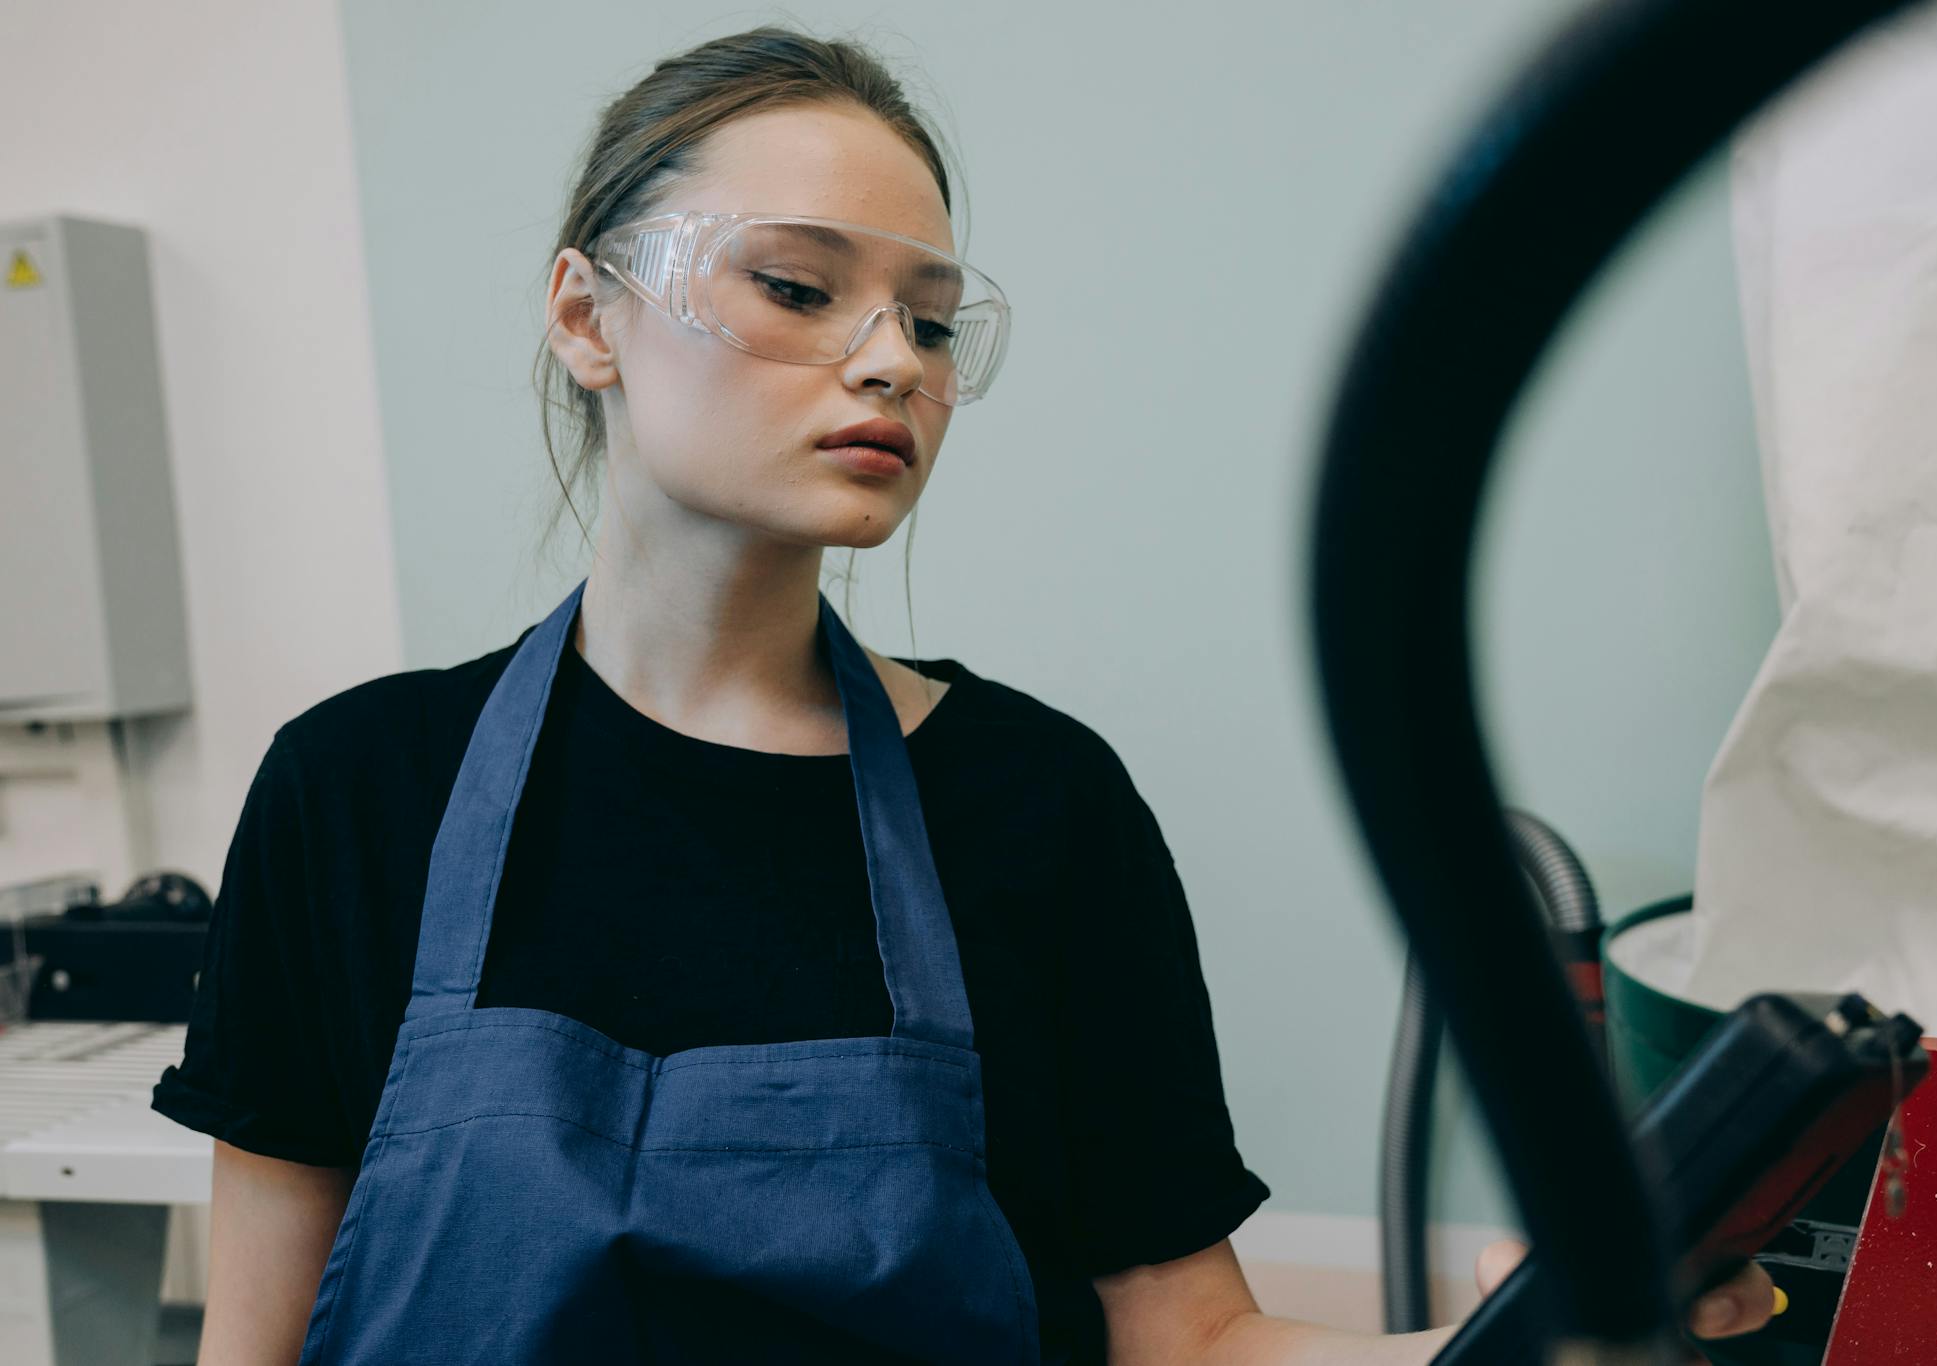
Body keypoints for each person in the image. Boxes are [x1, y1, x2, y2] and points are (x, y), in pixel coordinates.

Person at [151, 25, 1778, 1365]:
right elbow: (258, 1342)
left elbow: (1191, 1337)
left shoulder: (1040, 807)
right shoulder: (358, 790)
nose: (890, 362)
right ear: (589, 314)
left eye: (930, 320)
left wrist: (1523, 1339)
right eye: (798, 287)